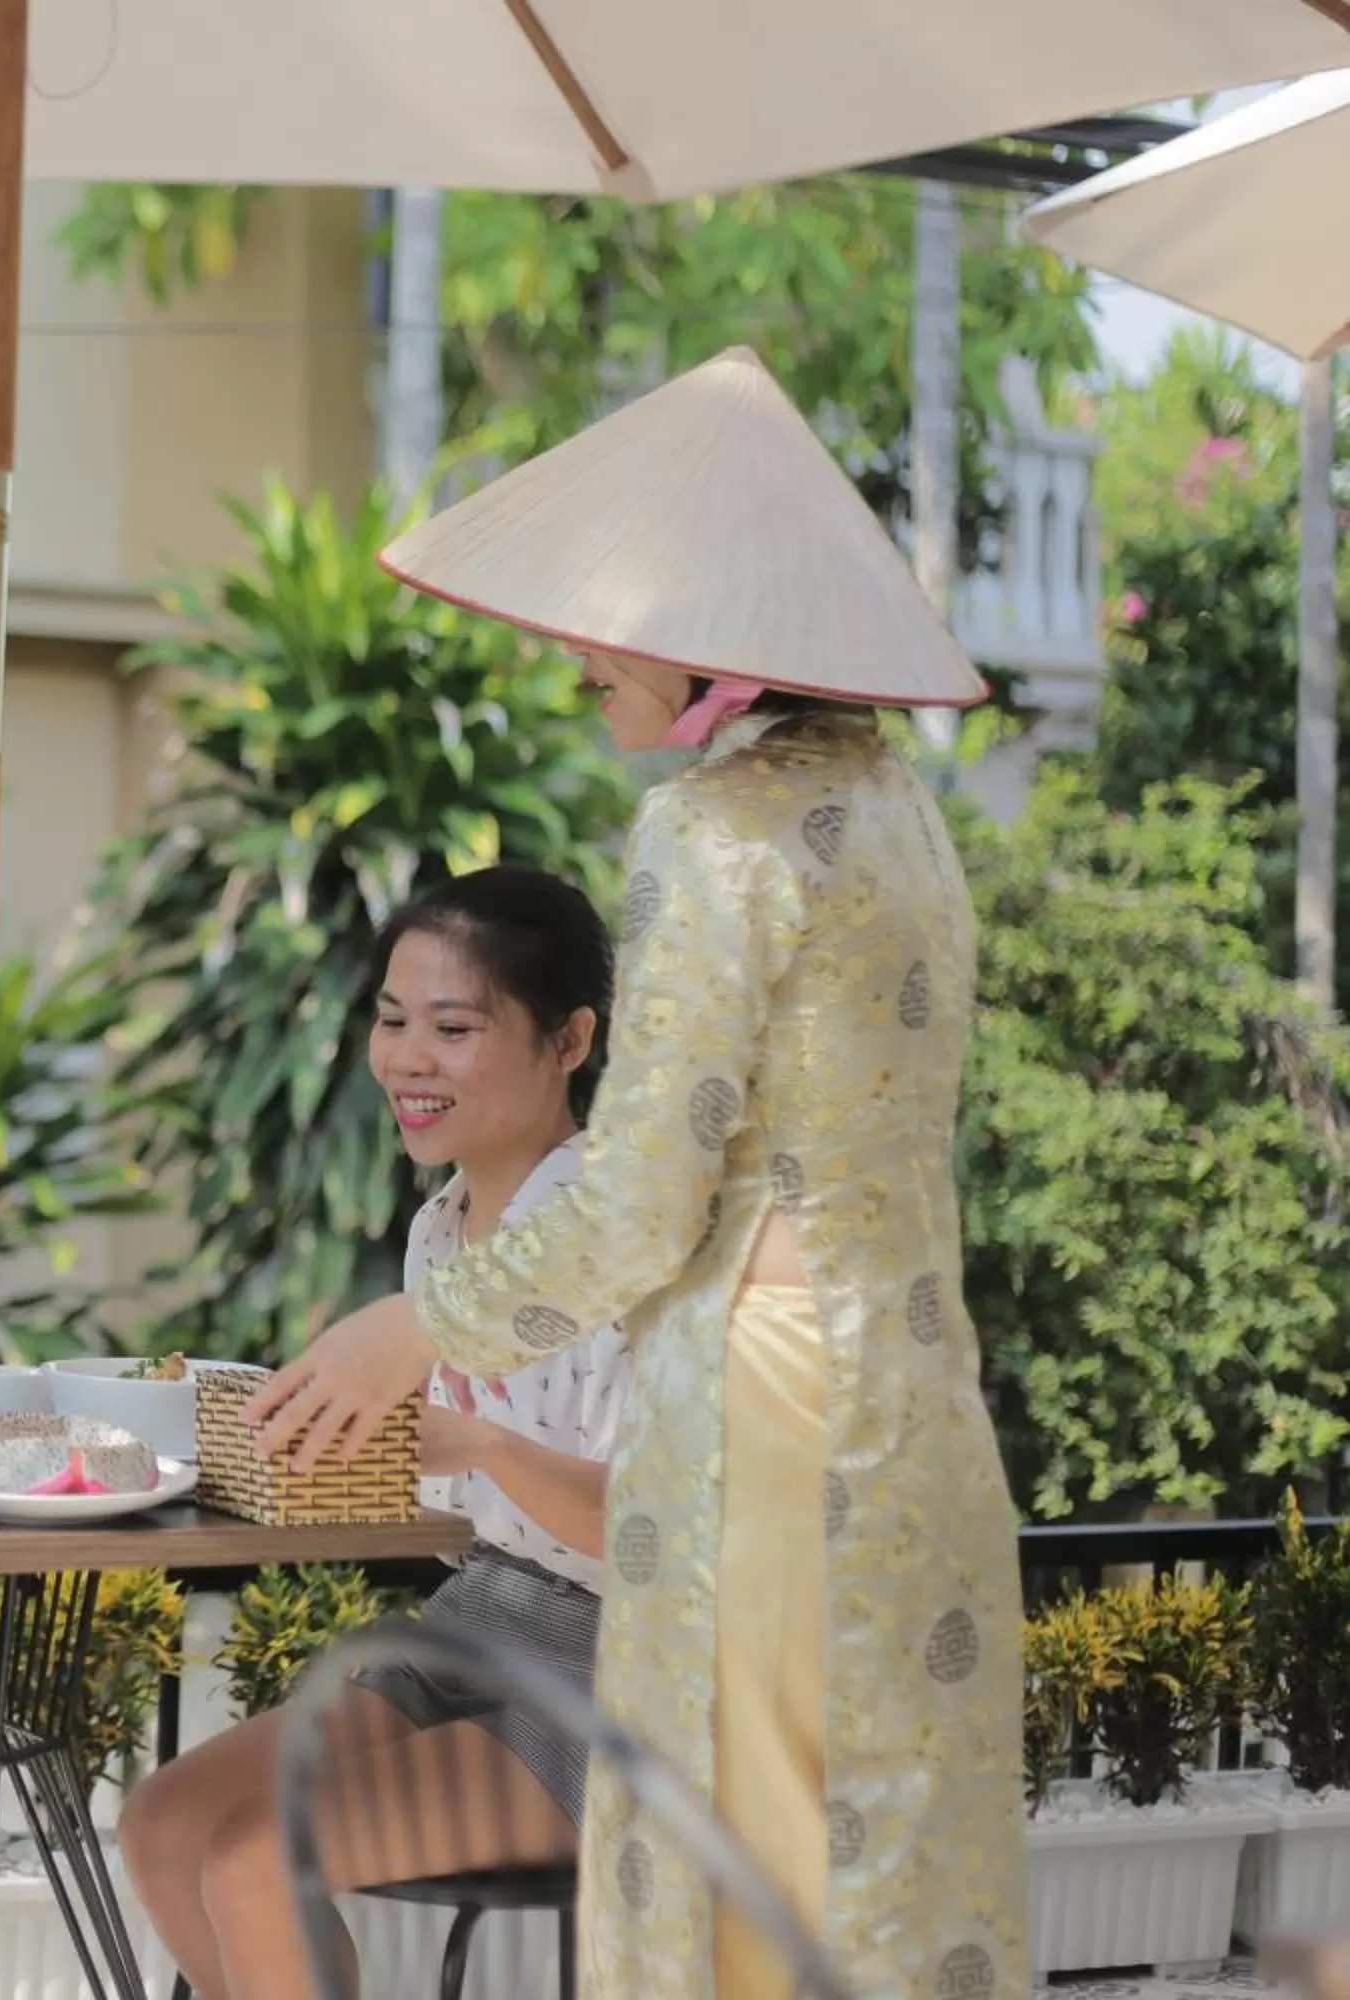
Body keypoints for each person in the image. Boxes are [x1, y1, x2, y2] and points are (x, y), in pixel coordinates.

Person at [248, 346, 1026, 1999]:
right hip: (912, 1416)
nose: (568, 652)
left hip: (761, 1421)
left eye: (602, 617)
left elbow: (638, 1198)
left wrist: (419, 1324)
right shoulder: (903, 817)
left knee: (721, 1906)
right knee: (873, 1903)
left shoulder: (715, 830)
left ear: (709, 633)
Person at [122, 866, 630, 1999]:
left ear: (571, 1038)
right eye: (392, 1020)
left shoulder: (620, 1241)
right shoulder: (438, 1234)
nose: (406, 1057)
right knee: (168, 1821)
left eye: (453, 1026)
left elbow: (660, 1534)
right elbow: (454, 1500)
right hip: (477, 1616)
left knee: (260, 1857)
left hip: (623, 1664)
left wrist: (480, 1447)